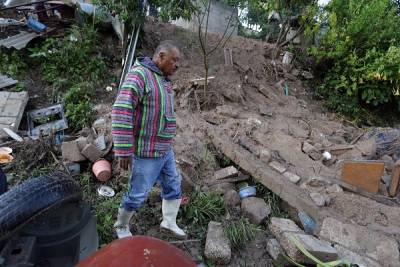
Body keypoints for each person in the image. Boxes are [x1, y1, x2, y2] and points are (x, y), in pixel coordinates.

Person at [111, 40, 186, 239]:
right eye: (174, 60)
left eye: (178, 61)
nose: (177, 65)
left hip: (164, 150)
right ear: (161, 56)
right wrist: (124, 149)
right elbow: (121, 109)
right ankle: (121, 226)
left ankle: (169, 222)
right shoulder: (140, 75)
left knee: (173, 184)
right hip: (146, 152)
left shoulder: (163, 79)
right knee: (138, 194)